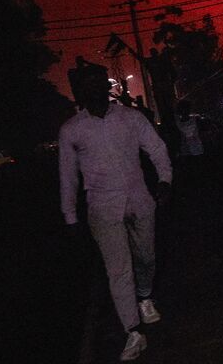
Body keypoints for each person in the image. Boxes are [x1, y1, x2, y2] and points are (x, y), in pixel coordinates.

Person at [60, 63, 173, 361]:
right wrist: (70, 216)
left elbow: (156, 148)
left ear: (107, 87)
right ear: (80, 91)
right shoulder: (72, 130)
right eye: (87, 84)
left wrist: (164, 180)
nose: (95, 88)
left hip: (139, 199)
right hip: (102, 208)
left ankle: (145, 296)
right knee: (118, 269)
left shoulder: (130, 118)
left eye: (99, 82)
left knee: (146, 256)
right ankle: (133, 331)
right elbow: (68, 176)